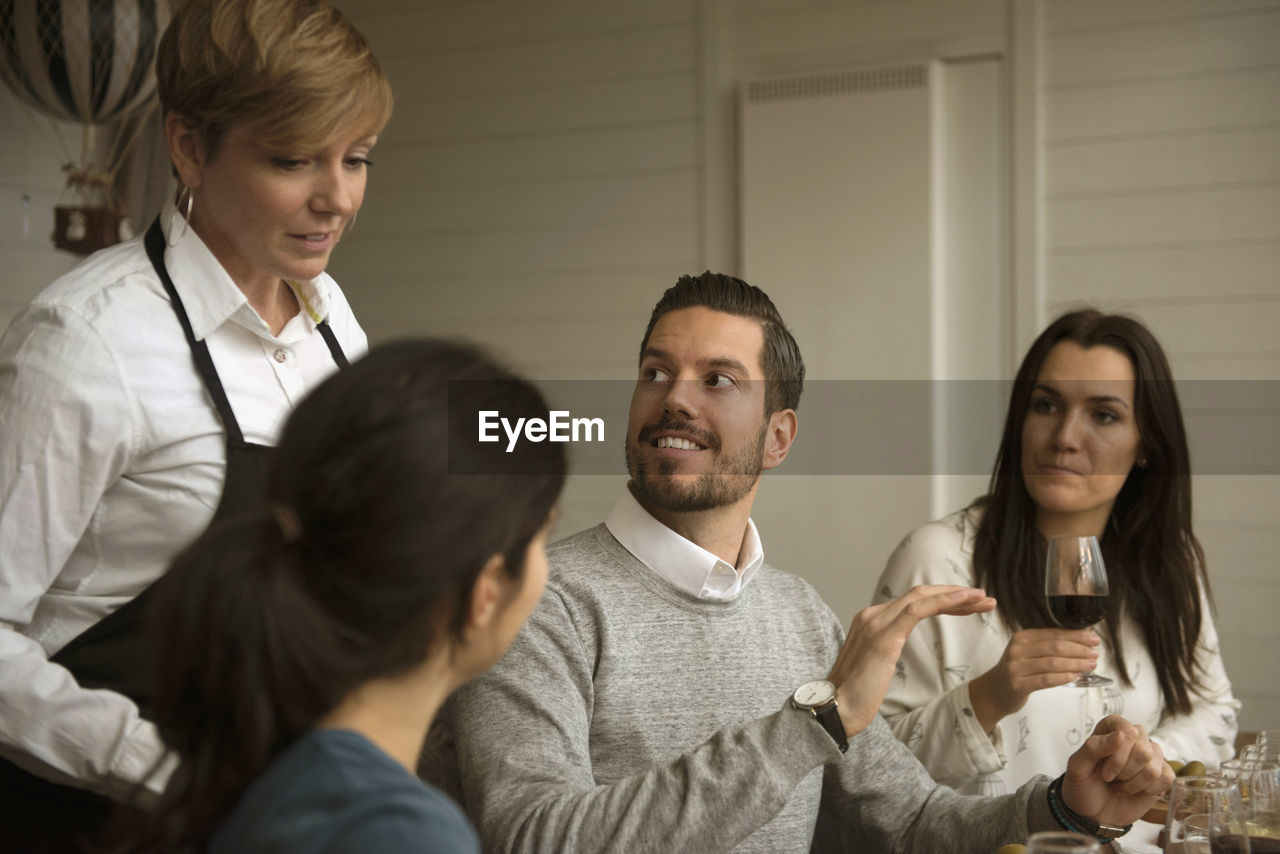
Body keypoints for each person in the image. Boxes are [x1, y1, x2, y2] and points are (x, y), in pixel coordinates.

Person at [424, 274, 1173, 853]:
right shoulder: (536, 602)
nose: (674, 399)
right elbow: (533, 837)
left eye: (718, 380)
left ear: (779, 438)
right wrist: (810, 725)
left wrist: (1066, 807)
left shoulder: (798, 613)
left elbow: (912, 824)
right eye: (656, 372)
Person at [0, 0, 392, 847]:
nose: (336, 200)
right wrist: (172, 772)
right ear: (188, 146)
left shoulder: (335, 325)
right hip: (92, 821)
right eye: (293, 160)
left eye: (355, 159)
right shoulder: (85, 345)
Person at [125, 339, 566, 854]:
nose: (546, 566)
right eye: (542, 537)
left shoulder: (260, 769)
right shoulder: (397, 832)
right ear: (485, 593)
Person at [874, 309, 1239, 796]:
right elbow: (866, 772)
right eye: (1046, 406)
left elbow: (1213, 713)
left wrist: (1149, 759)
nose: (1064, 438)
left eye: (1103, 415)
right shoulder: (936, 561)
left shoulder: (1171, 563)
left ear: (1147, 444)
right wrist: (986, 697)